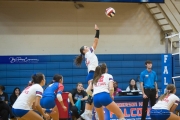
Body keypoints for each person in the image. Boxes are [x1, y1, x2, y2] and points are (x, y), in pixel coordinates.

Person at [74, 24, 99, 119]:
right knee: (93, 94)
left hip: (92, 75)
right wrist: (97, 31)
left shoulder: (87, 56)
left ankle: (87, 113)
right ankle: (91, 112)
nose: (88, 47)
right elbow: (95, 42)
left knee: (92, 94)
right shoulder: (89, 53)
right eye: (86, 47)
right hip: (92, 74)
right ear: (84, 50)